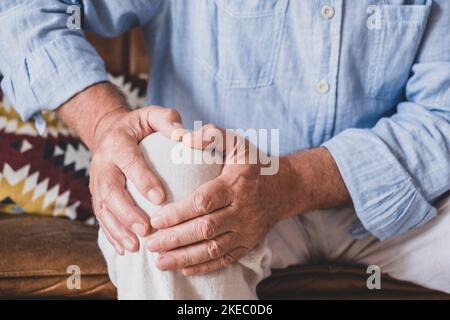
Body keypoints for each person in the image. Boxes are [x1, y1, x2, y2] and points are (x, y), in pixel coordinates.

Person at [0, 0, 449, 299]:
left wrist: (289, 184)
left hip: (396, 204)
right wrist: (104, 123)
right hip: (215, 195)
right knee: (163, 193)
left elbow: (442, 114)